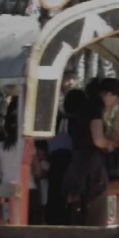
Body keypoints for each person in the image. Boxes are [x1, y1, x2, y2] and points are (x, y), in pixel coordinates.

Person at [62, 77, 119, 226]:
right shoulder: (96, 106)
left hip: (77, 165)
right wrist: (109, 144)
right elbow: (97, 139)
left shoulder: (83, 107)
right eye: (116, 99)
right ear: (109, 94)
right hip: (92, 168)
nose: (115, 104)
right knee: (95, 214)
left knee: (77, 214)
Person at [0, 107, 41, 225]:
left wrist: (2, 180)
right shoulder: (28, 146)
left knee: (10, 225)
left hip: (8, 191)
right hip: (29, 190)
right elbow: (37, 170)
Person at [45, 88, 87, 225]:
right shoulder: (79, 122)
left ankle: (52, 223)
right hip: (71, 162)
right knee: (71, 199)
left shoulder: (54, 120)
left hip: (53, 162)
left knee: (54, 196)